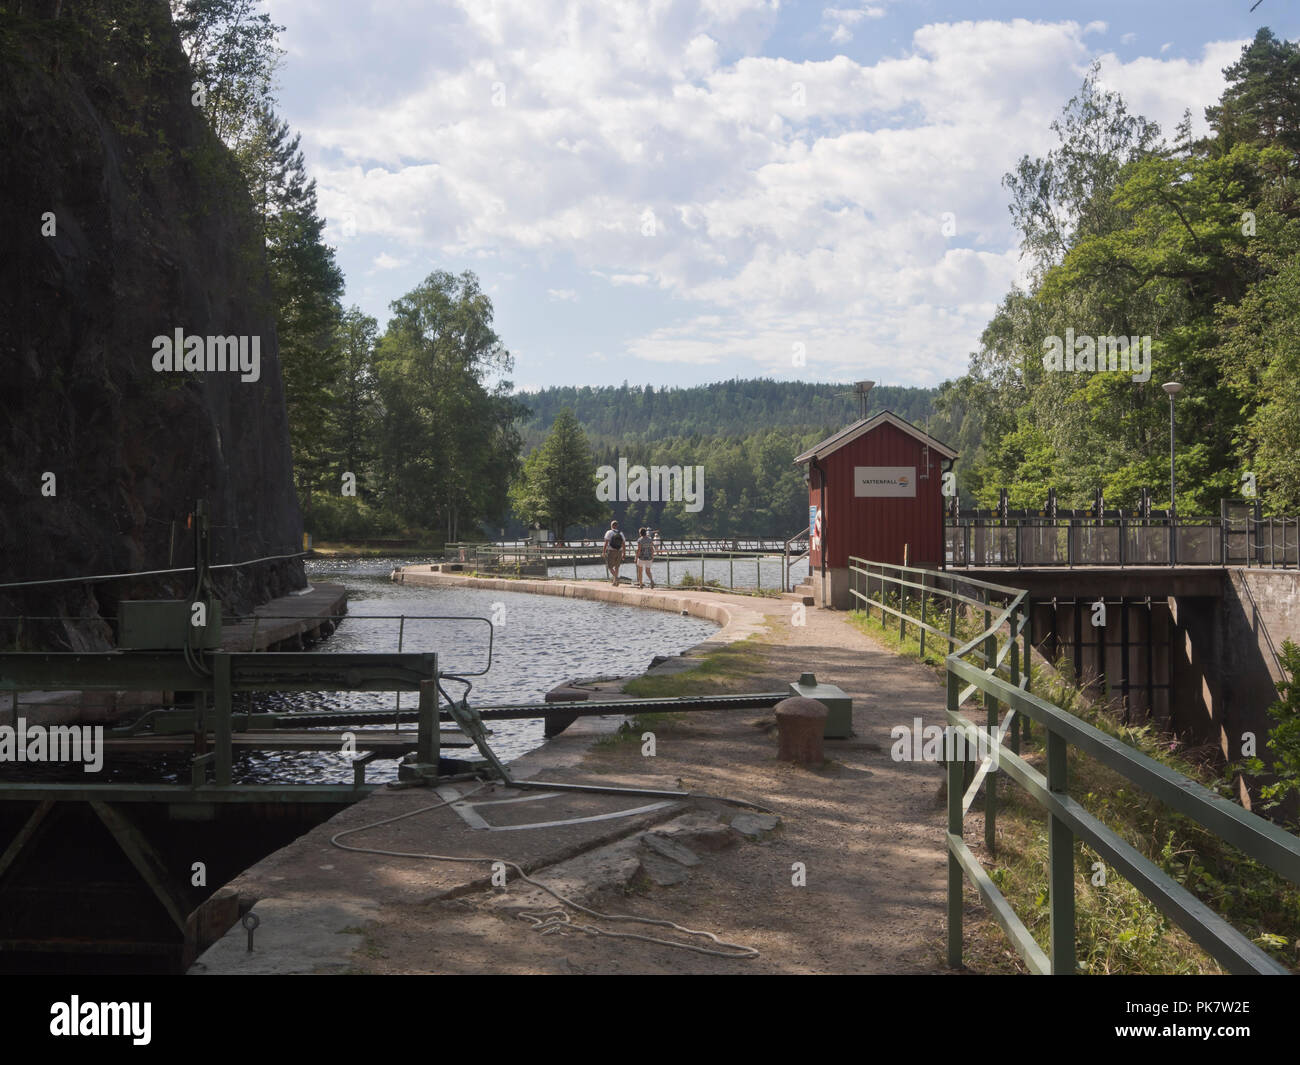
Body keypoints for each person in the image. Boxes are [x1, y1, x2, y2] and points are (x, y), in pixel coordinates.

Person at [603, 520, 626, 585]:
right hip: (619, 551)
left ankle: (616, 578)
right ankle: (615, 582)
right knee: (617, 567)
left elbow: (606, 543)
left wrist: (604, 552)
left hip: (611, 551)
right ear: (617, 526)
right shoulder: (621, 533)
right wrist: (624, 553)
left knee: (609, 567)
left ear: (612, 526)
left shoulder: (609, 532)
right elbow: (624, 544)